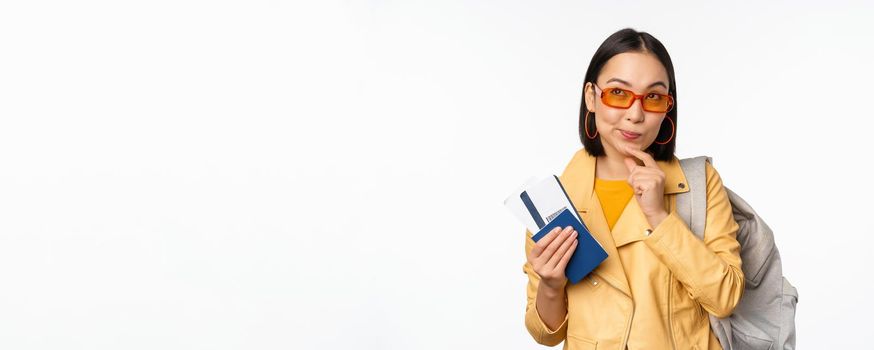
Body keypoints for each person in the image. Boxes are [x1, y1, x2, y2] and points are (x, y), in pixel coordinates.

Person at [522, 28, 744, 350]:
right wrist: (552, 286)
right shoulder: (554, 199)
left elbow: (725, 298)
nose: (636, 114)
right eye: (618, 94)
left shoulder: (699, 183)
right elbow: (546, 334)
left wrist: (659, 216)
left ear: (667, 107)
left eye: (653, 97)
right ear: (591, 97)